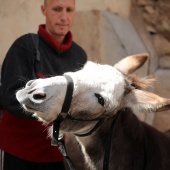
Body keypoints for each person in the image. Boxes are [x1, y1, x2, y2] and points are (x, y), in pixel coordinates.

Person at [0, 0, 87, 169]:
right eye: (57, 9)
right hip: (17, 152)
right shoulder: (25, 46)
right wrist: (52, 107)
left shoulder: (79, 56)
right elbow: (9, 99)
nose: (63, 17)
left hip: (54, 156)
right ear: (44, 10)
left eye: (69, 10)